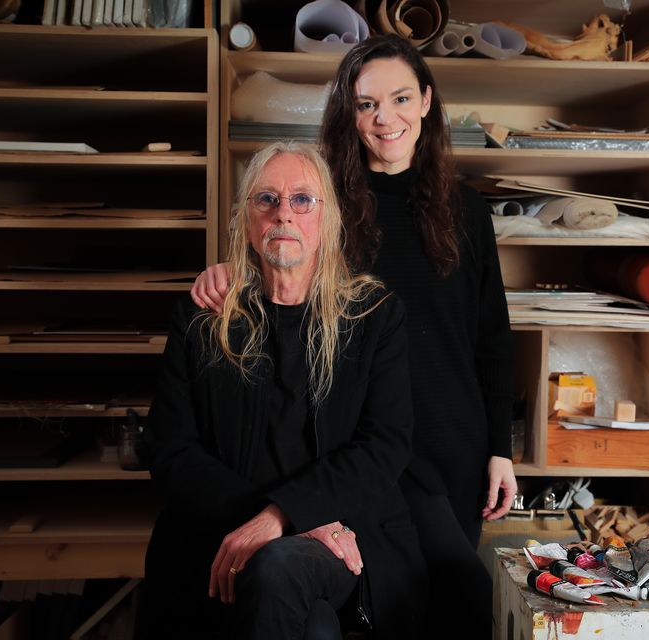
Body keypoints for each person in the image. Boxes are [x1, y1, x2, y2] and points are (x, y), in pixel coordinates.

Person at [191, 35, 516, 637]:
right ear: (349, 113)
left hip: (452, 444)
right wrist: (229, 270)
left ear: (426, 101)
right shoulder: (326, 202)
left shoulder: (467, 210)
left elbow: (491, 336)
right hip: (356, 442)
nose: (384, 119)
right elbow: (276, 260)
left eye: (398, 99)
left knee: (449, 598)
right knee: (371, 599)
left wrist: (501, 447)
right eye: (366, 104)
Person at [145, 141, 426, 640]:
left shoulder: (373, 316)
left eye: (302, 200)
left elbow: (385, 444)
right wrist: (273, 518)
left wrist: (287, 516)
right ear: (245, 219)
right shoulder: (202, 317)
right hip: (219, 532)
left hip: (341, 536)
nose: (284, 214)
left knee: (279, 567)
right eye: (266, 199)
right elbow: (170, 451)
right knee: (313, 626)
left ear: (328, 218)